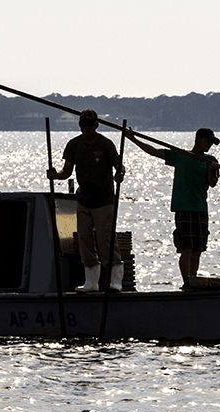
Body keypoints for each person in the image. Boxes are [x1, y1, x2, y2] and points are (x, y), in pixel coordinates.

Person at [125, 127, 220, 283]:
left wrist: (212, 171)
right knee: (187, 248)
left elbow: (212, 183)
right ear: (198, 139)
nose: (209, 144)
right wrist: (133, 138)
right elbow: (154, 151)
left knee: (198, 249)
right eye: (207, 141)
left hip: (200, 208)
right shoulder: (181, 156)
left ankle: (193, 280)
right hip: (184, 208)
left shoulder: (211, 161)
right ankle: (187, 281)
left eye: (211, 142)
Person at [47, 109, 125, 292]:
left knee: (106, 238)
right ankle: (91, 282)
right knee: (84, 238)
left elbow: (118, 166)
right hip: (83, 200)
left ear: (96, 125)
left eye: (90, 124)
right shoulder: (73, 145)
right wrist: (55, 176)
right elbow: (66, 171)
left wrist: (119, 174)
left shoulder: (106, 144)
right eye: (83, 124)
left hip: (104, 200)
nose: (86, 128)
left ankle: (115, 280)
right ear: (79, 124)